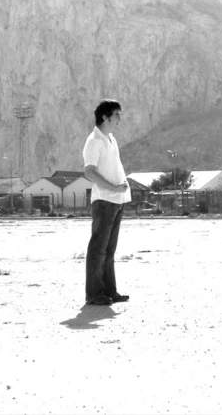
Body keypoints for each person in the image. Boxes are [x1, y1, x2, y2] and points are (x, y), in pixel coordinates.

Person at [82, 99, 132, 306]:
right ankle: (94, 294)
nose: (120, 119)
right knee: (98, 249)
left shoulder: (110, 139)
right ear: (105, 117)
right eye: (117, 115)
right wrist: (112, 188)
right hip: (104, 201)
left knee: (109, 250)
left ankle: (109, 291)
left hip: (116, 200)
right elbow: (89, 172)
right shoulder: (94, 140)